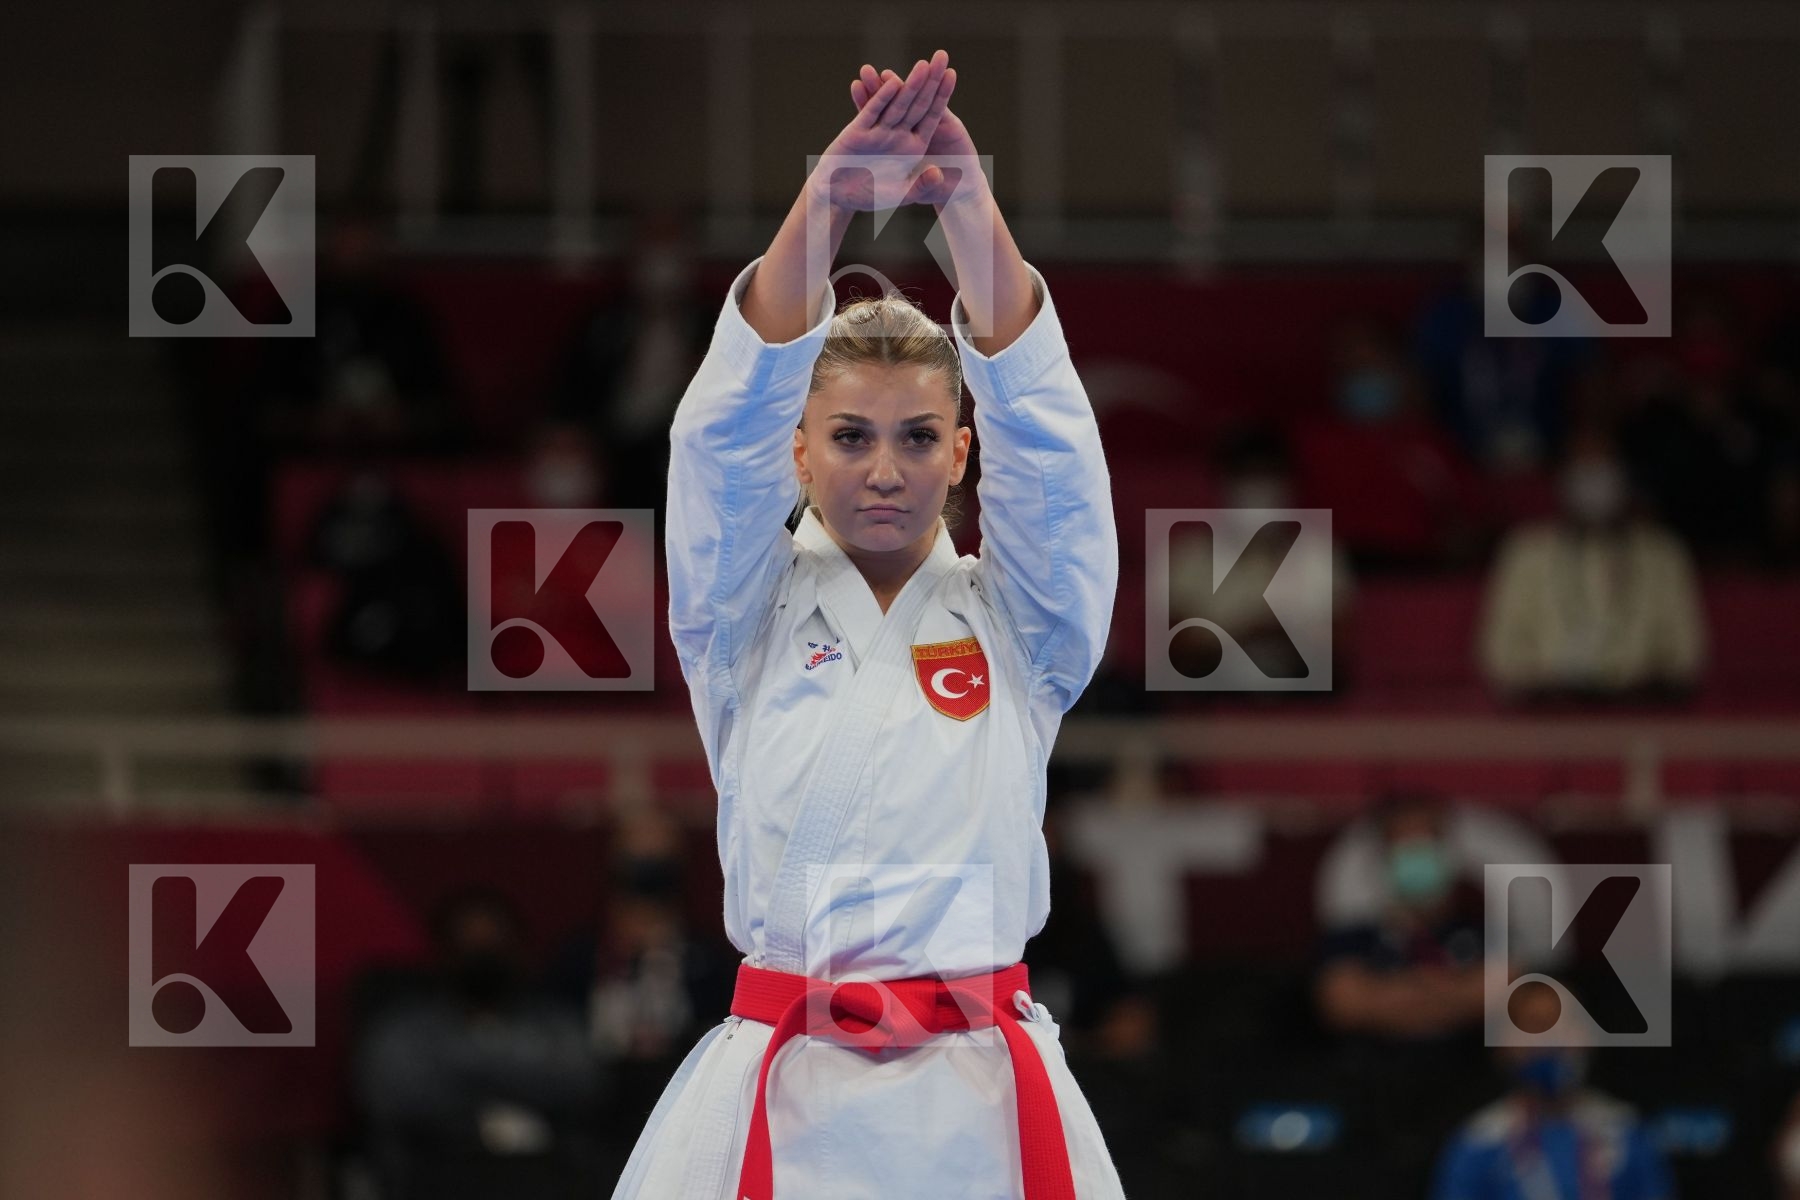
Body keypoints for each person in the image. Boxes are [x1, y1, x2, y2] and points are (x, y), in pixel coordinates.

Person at [611, 51, 1127, 1199]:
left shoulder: (1025, 625)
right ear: (799, 450)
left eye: (916, 437)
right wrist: (829, 202)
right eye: (849, 436)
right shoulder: (737, 611)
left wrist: (968, 209)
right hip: (785, 1091)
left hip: (985, 1096)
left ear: (963, 448)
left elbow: (1059, 456)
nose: (884, 469)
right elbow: (717, 440)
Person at [1478, 422, 1706, 702]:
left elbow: (1686, 655)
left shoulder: (1662, 555)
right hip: (1548, 720)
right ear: (1563, 478)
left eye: (1604, 469)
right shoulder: (1527, 553)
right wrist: (1554, 685)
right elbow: (1501, 655)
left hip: (1643, 717)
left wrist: (1630, 686)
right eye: (1584, 470)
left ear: (1624, 477)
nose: (1594, 481)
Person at [1430, 981, 1676, 1200]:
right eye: (1536, 1025)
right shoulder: (1479, 1144)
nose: (1553, 1039)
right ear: (1501, 1047)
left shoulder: (1625, 1130)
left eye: (1568, 1024)